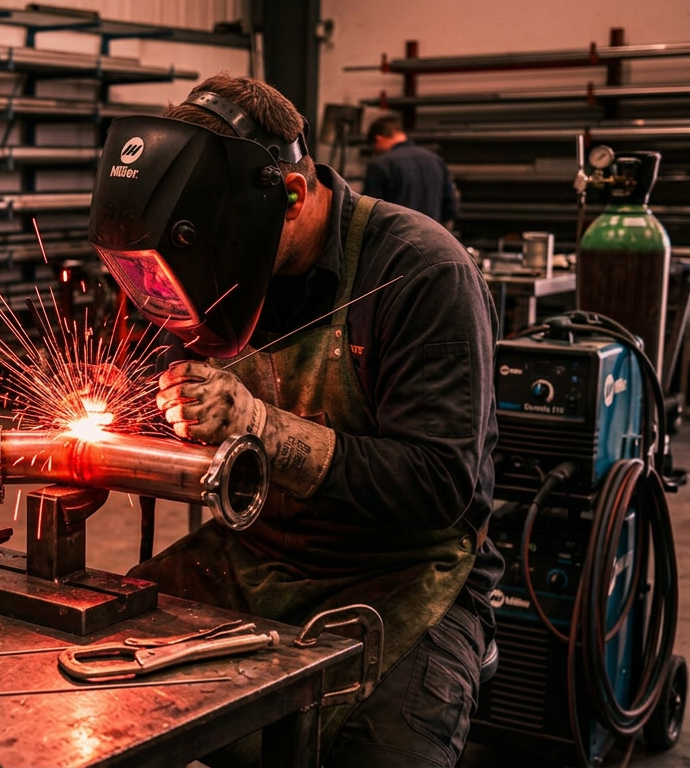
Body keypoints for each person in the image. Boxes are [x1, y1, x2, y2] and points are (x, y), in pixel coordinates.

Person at [88, 74, 504, 767]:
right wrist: (114, 440)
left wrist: (260, 426)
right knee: (88, 669)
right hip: (254, 552)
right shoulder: (215, 275)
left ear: (292, 195)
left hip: (401, 573)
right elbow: (168, 412)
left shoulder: (422, 272)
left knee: (378, 758)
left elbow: (439, 487)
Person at [364, 113, 459, 227]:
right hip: (432, 235)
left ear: (378, 139)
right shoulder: (435, 160)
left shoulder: (381, 164)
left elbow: (369, 212)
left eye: (374, 147)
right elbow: (450, 207)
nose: (376, 152)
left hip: (396, 238)